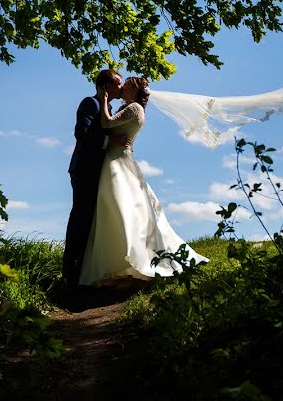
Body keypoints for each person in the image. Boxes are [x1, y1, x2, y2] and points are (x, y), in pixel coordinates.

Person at [79, 76, 209, 286]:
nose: (122, 88)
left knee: (121, 209)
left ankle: (132, 260)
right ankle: (119, 265)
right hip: (114, 160)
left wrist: (103, 100)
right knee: (115, 210)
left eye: (127, 86)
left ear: (134, 90)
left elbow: (106, 123)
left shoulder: (135, 109)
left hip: (117, 161)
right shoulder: (126, 108)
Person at [61, 69, 129, 288]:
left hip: (102, 171)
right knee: (81, 217)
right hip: (84, 169)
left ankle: (85, 271)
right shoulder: (90, 103)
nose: (121, 86)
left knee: (94, 220)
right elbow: (82, 133)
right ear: (104, 86)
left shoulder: (110, 109)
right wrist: (110, 140)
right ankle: (69, 274)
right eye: (118, 83)